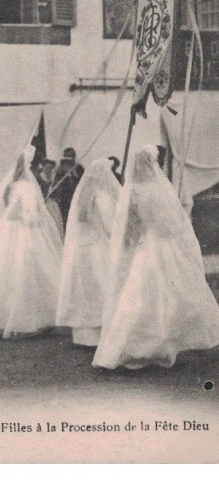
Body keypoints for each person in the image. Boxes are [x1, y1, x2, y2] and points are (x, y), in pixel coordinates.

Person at [93, 144, 219, 370]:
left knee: (142, 294)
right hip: (167, 246)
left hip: (148, 246)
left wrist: (128, 247)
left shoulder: (133, 191)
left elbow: (131, 226)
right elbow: (175, 222)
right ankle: (163, 342)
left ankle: (140, 346)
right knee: (170, 292)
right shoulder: (162, 189)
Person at [0, 144, 63, 338]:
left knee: (3, 271)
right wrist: (37, 216)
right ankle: (26, 321)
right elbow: (31, 215)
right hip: (25, 231)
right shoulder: (27, 187)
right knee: (27, 270)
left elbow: (7, 208)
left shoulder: (11, 185)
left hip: (6, 230)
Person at [56, 158, 121, 346]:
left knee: (84, 290)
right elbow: (110, 226)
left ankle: (83, 335)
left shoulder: (82, 196)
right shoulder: (102, 198)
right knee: (100, 288)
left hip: (81, 250)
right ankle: (100, 333)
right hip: (97, 248)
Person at [49, 147, 84, 231]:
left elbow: (82, 182)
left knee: (74, 219)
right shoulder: (60, 168)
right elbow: (56, 183)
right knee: (63, 219)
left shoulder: (79, 168)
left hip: (75, 197)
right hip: (63, 198)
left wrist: (74, 175)